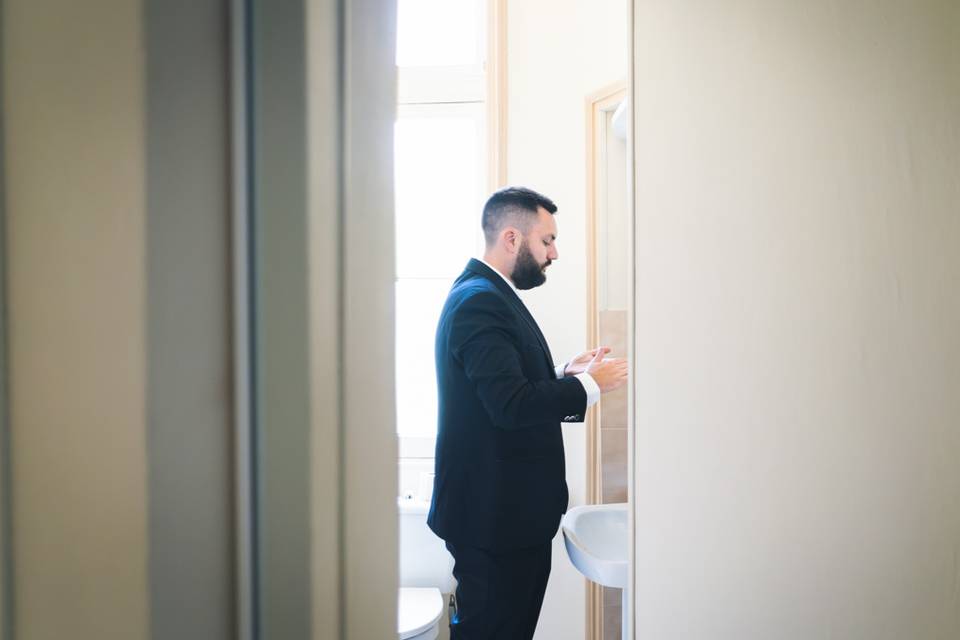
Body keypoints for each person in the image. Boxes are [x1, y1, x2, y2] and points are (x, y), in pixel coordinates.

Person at [428, 186, 629, 639]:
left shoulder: (485, 294)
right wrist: (591, 385)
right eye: (547, 241)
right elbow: (511, 405)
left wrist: (562, 371)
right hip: (495, 519)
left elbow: (497, 387)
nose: (554, 252)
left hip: (501, 516)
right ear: (513, 238)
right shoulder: (480, 301)